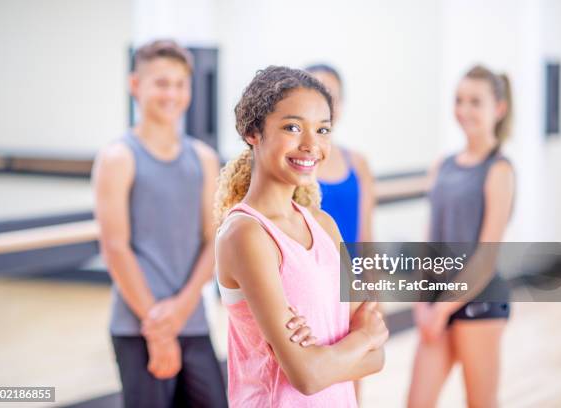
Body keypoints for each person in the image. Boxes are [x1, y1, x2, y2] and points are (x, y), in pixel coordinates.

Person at [214, 66, 389, 407]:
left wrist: (323, 357)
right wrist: (361, 337)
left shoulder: (324, 226)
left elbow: (377, 358)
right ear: (254, 132)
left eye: (322, 130)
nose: (311, 145)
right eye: (293, 127)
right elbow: (307, 377)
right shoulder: (246, 233)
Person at [92, 39, 227, 408]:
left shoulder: (204, 158)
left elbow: (212, 239)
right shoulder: (118, 158)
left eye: (180, 84)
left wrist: (181, 310)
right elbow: (115, 247)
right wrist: (157, 326)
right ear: (136, 85)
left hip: (193, 322)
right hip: (136, 326)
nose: (172, 94)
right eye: (161, 83)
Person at [407, 65, 516, 408]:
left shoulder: (499, 169)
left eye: (475, 102)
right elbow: (430, 241)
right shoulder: (444, 164)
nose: (464, 110)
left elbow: (485, 257)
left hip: (480, 301)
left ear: (498, 109)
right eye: (459, 100)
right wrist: (423, 300)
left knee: (480, 402)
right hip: (437, 299)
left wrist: (443, 311)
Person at [306, 64, 375, 244]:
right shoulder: (290, 164)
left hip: (351, 270)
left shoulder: (358, 163)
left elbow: (366, 241)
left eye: (331, 97)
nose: (324, 105)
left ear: (341, 104)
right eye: (315, 96)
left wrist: (369, 272)